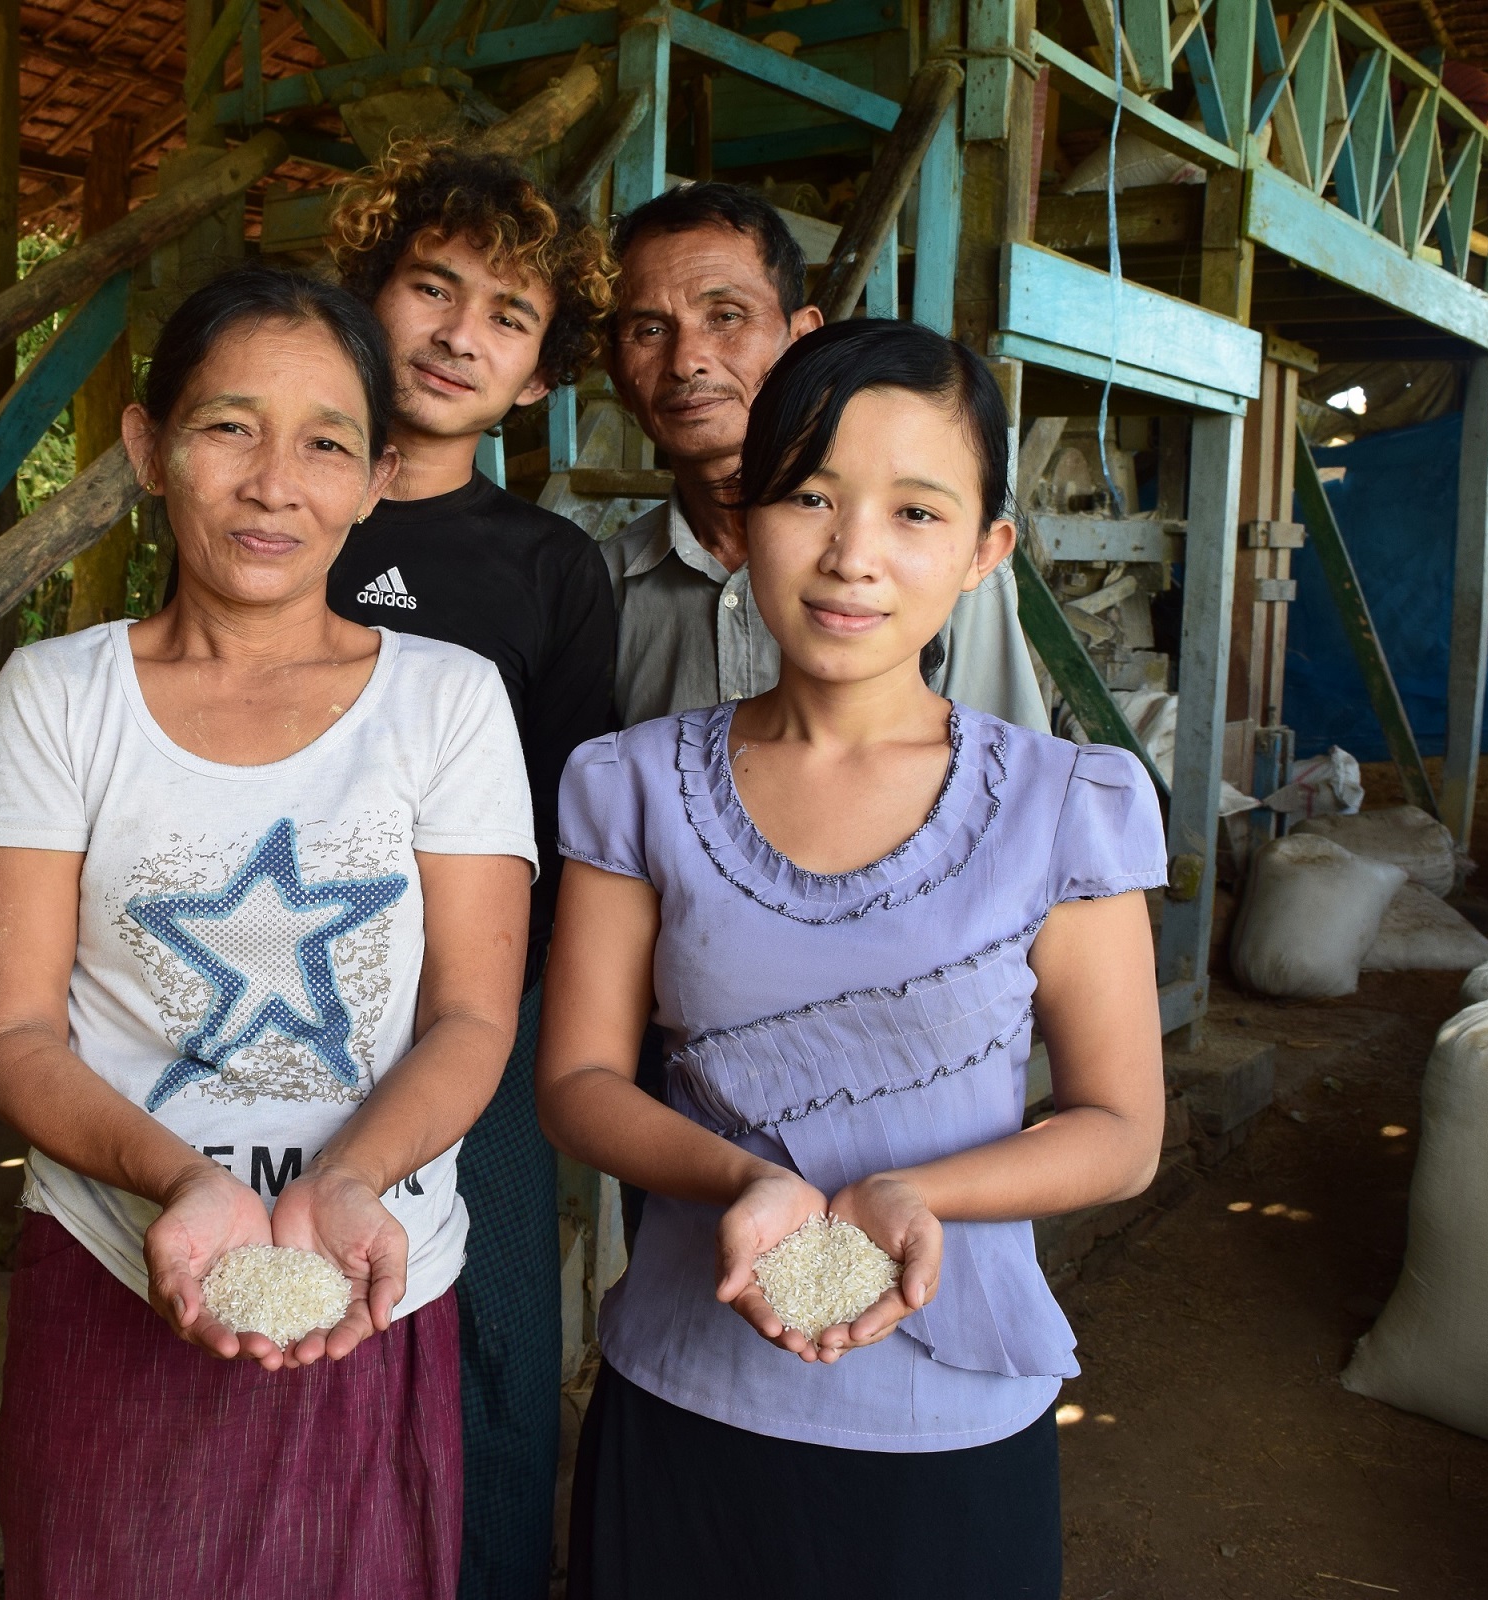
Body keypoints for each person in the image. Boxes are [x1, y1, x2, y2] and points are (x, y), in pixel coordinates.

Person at [537, 318, 1168, 1597]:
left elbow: (1119, 1127)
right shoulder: (632, 783)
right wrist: (745, 1181)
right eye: (808, 496)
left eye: (917, 512)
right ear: (737, 522)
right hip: (685, 1401)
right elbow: (580, 1083)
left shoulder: (1065, 801)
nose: (852, 555)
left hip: (945, 1432)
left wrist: (915, 1195)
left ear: (990, 550)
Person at [0, 264, 539, 1598]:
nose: (277, 482)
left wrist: (343, 1185)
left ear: (380, 473)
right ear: (150, 448)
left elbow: (473, 1016)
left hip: (370, 1270)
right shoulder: (59, 700)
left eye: (326, 442)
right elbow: (11, 1027)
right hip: (117, 1260)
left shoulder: (446, 702)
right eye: (229, 427)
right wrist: (183, 1185)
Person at [324, 140, 619, 1600]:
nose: (456, 333)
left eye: (505, 314)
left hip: (479, 1017)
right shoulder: (276, 511)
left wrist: (511, 1028)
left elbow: (571, 832)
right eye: (429, 287)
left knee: (495, 1329)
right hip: (271, 1001)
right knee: (280, 1297)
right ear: (366, 299)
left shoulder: (552, 570)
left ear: (540, 370)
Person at [601, 181, 1047, 732]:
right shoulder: (602, 586)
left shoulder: (936, 565)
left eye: (727, 316)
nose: (687, 360)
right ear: (617, 372)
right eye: (649, 329)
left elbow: (1008, 786)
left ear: (801, 340)